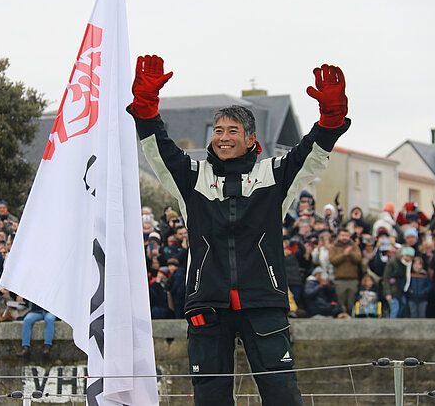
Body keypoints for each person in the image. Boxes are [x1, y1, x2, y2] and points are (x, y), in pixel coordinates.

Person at [129, 55, 349, 405]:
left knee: (283, 396)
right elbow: (158, 151)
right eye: (217, 130)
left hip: (263, 300)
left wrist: (331, 118)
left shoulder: (274, 175)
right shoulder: (192, 177)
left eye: (232, 130)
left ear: (251, 139)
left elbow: (312, 153)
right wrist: (145, 108)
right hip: (207, 303)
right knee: (211, 399)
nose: (223, 137)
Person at [328, 228, 362, 314]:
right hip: (339, 280)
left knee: (351, 303)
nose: (344, 238)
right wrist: (344, 254)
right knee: (341, 303)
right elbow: (332, 260)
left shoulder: (354, 246)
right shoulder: (333, 247)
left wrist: (350, 254)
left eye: (346, 236)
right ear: (338, 236)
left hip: (353, 279)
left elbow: (358, 259)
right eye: (342, 235)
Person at [382, 246, 415, 318]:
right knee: (395, 308)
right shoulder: (392, 262)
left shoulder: (409, 265)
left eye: (409, 257)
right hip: (392, 290)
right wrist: (387, 293)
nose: (407, 258)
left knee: (403, 305)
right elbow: (386, 278)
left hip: (401, 291)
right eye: (406, 256)